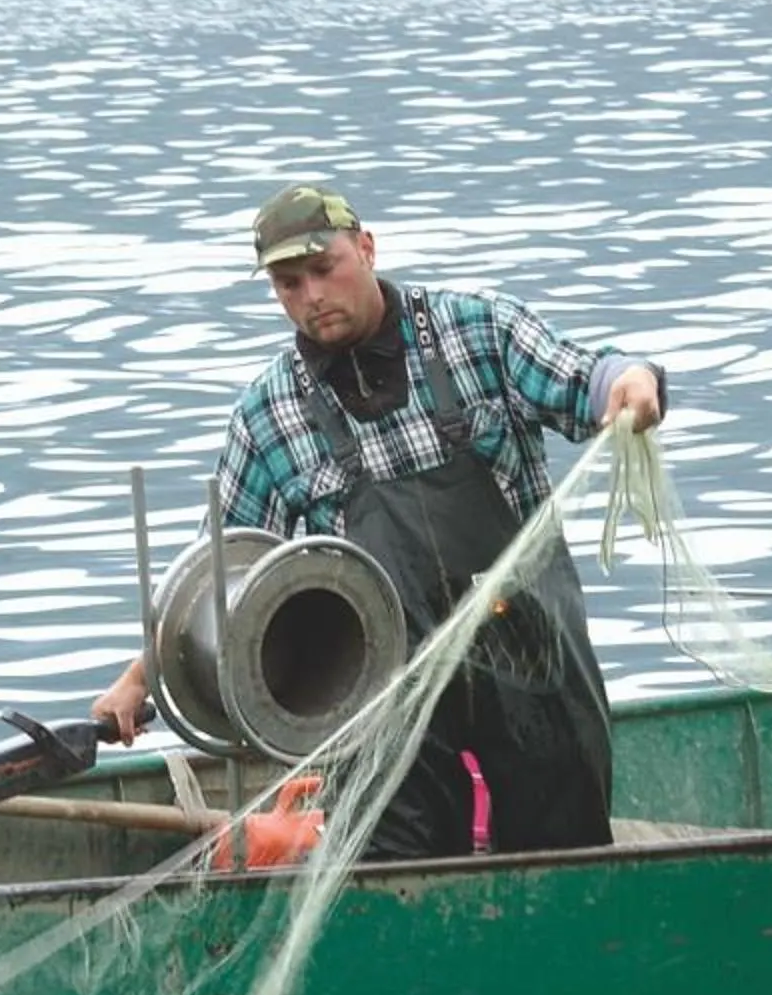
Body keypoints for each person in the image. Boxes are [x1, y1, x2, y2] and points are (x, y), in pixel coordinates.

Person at [93, 183, 664, 859]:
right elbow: (221, 580)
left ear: (365, 248)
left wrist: (628, 383)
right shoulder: (267, 416)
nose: (311, 295)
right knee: (395, 860)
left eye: (324, 268)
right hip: (381, 685)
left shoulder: (476, 331)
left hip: (528, 652)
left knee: (564, 840)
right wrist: (141, 677)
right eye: (287, 283)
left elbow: (581, 376)